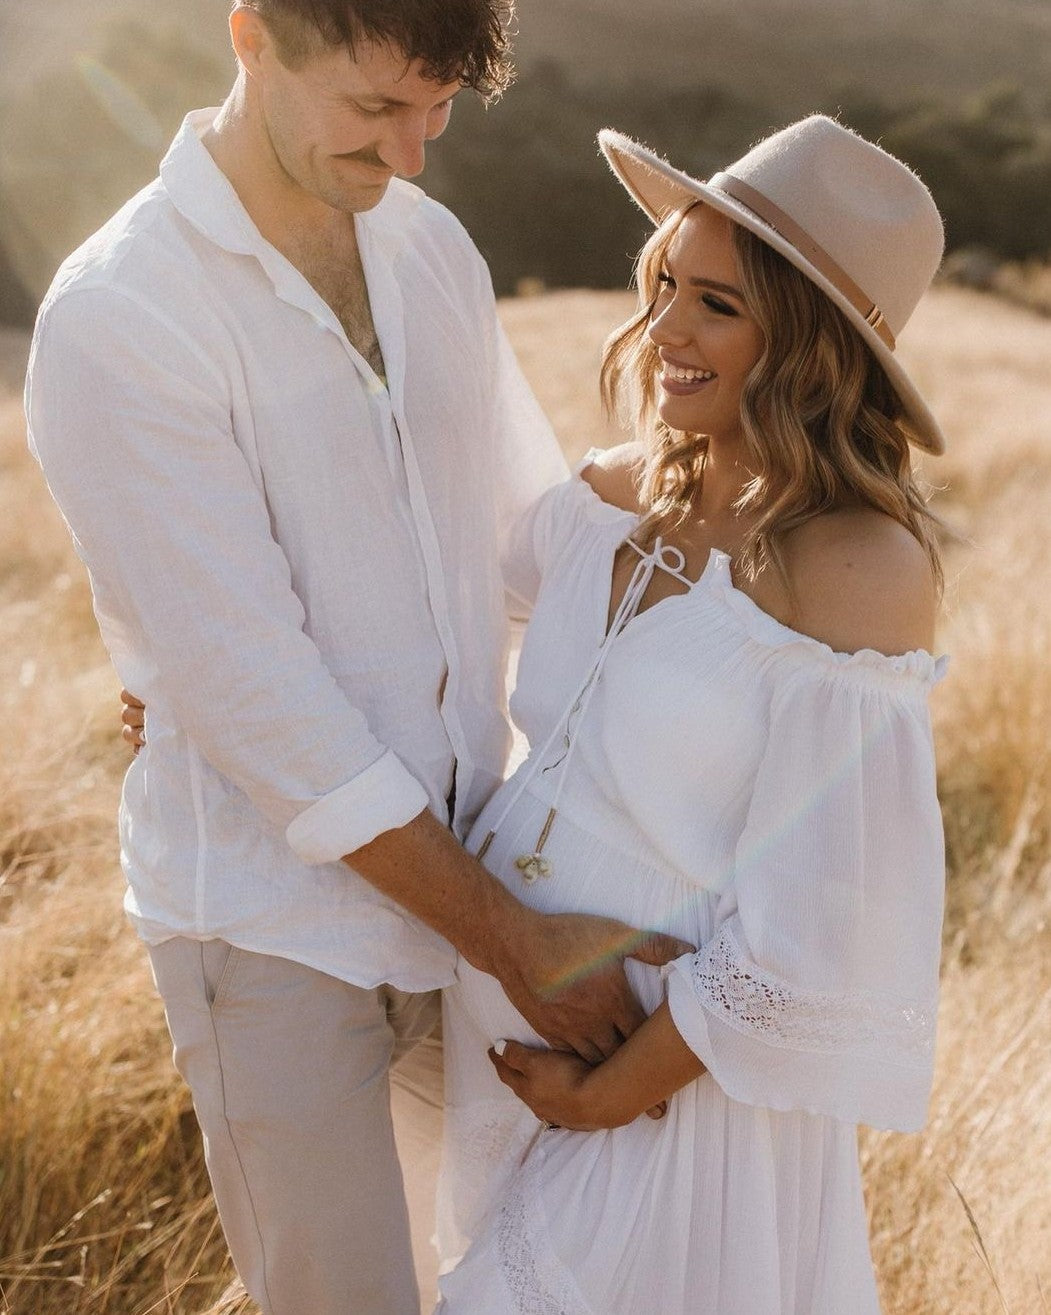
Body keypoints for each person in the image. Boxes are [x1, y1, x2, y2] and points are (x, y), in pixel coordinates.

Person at [23, 4, 690, 1312]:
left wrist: (729, 504)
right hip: (272, 928)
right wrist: (520, 944)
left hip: (477, 871)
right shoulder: (122, 314)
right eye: (376, 109)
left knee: (516, 1272)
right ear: (252, 34)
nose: (412, 153)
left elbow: (519, 542)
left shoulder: (425, 240)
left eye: (436, 114)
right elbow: (272, 715)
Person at [434, 115, 949, 1314]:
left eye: (715, 303)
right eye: (664, 280)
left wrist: (606, 1094)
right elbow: (425, 608)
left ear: (820, 345)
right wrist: (192, 691)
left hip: (670, 1106)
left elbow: (824, 926)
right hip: (498, 1068)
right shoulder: (609, 495)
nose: (662, 327)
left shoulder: (855, 567)